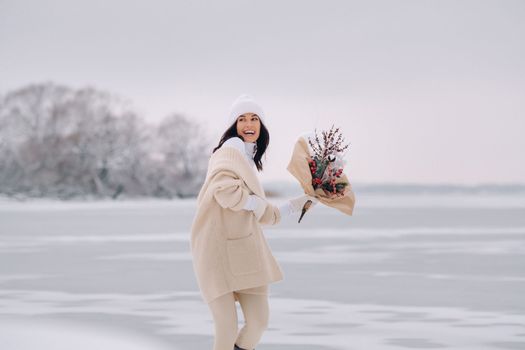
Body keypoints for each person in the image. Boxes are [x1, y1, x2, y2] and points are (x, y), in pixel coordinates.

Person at [190, 94, 318, 350]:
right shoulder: (229, 151)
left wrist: (305, 201)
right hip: (216, 251)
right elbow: (227, 193)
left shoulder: (245, 159)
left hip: (244, 251)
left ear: (261, 126)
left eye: (254, 118)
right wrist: (258, 205)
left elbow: (266, 215)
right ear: (233, 126)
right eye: (242, 119)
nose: (249, 124)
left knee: (258, 322)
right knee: (226, 328)